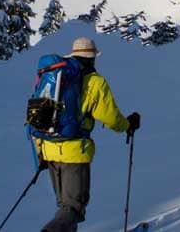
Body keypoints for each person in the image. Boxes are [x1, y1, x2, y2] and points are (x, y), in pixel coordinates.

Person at [34, 37, 140, 232]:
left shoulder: (56, 77)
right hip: (74, 152)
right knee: (72, 210)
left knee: (65, 208)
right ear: (92, 57)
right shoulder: (94, 82)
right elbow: (111, 118)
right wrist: (128, 125)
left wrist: (39, 153)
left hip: (48, 149)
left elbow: (38, 116)